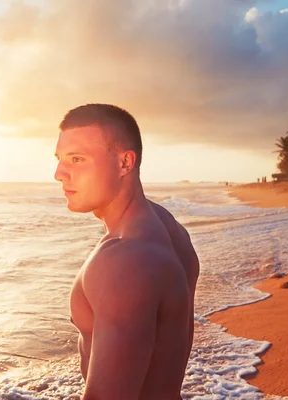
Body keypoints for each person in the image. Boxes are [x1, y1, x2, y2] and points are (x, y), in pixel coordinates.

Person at [54, 104, 200, 400]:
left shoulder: (125, 260)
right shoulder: (169, 230)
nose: (59, 174)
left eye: (77, 159)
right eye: (60, 159)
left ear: (125, 163)